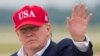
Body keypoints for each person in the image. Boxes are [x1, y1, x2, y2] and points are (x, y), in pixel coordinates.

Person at [11, 3, 93, 56]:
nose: (29, 34)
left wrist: (79, 40)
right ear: (18, 35)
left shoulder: (62, 51)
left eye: (34, 28)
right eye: (23, 30)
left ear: (48, 28)